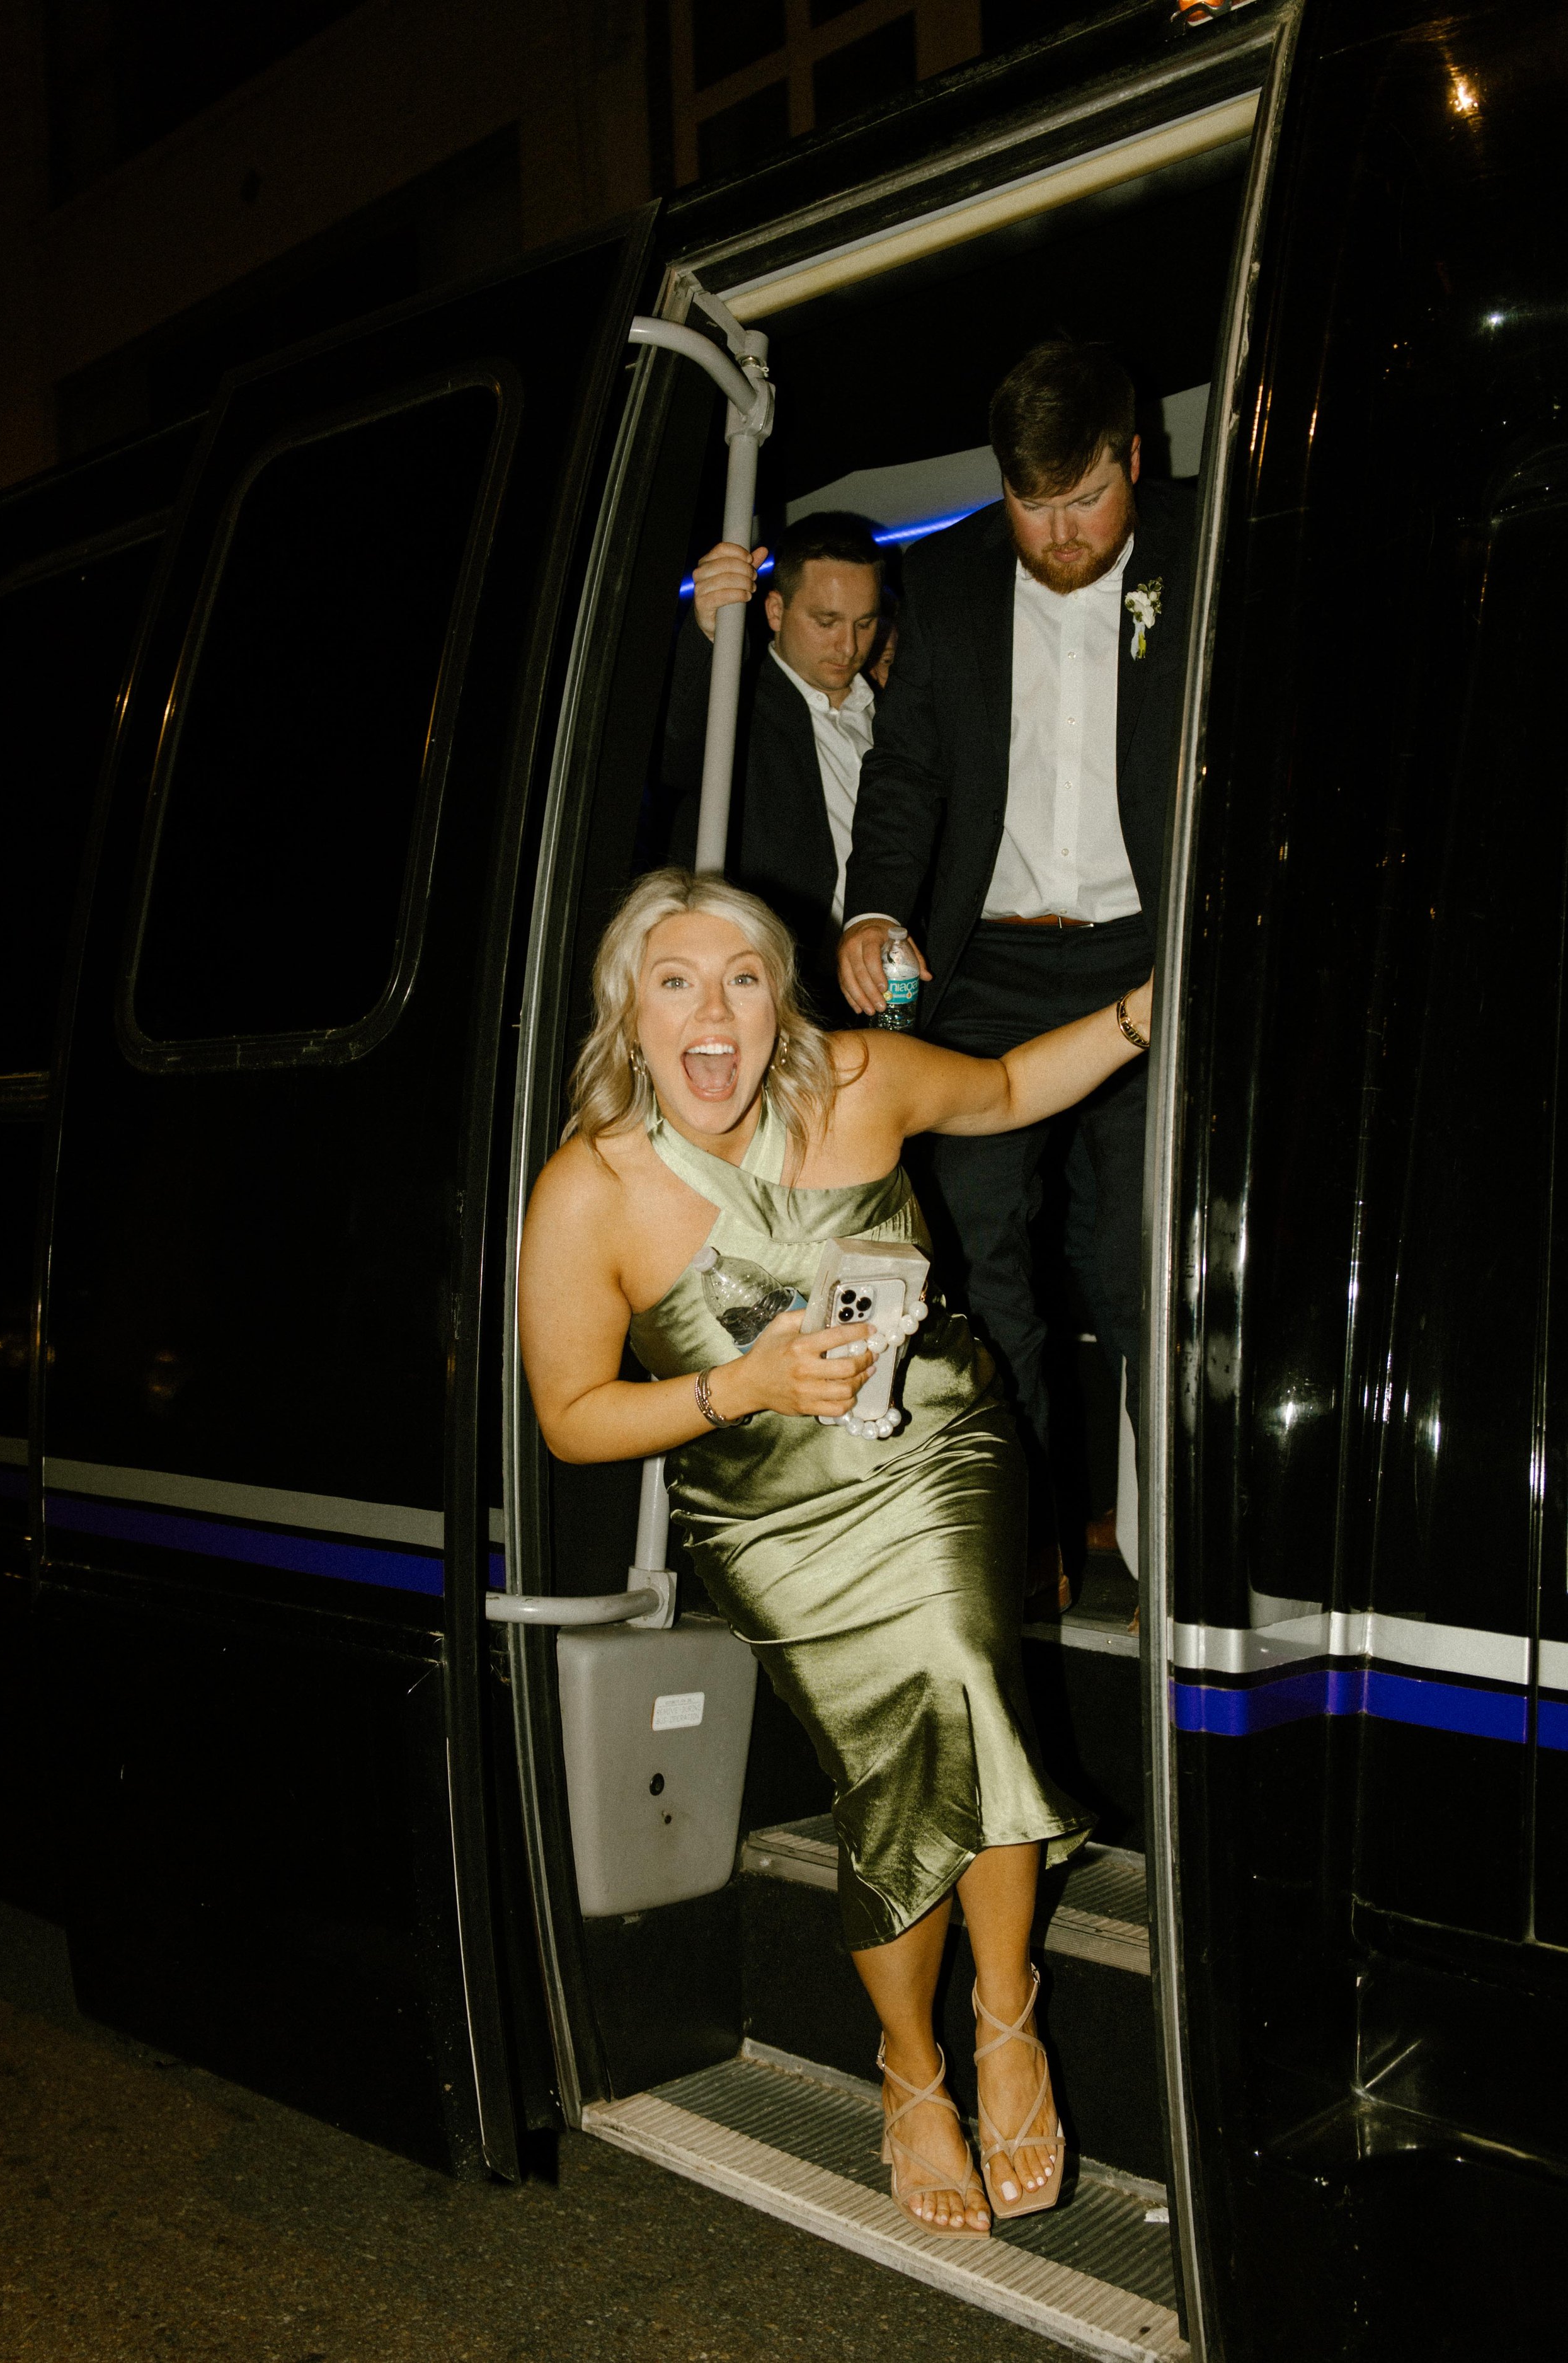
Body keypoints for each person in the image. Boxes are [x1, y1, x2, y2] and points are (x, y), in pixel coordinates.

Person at [519, 866, 1153, 2238]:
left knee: (962, 1675)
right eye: (674, 980)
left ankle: (998, 2025)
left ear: (780, 1003)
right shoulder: (589, 1189)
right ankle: (907, 2067)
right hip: (767, 1518)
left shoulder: (855, 1081)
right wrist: (736, 1391)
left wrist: (1137, 1017)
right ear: (629, 1014)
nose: (713, 1010)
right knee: (893, 1769)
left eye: (742, 979)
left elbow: (998, 1093)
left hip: (938, 1451)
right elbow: (570, 1419)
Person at [838, 340, 1193, 1570]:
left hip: (1151, 959)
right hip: (983, 974)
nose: (1057, 536)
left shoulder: (1207, 553)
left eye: (1084, 499)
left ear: (1130, 459)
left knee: (1143, 1264)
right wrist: (872, 912)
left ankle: (1168, 1564)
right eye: (1030, 507)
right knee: (980, 1270)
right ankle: (1027, 1553)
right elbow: (907, 776)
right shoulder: (943, 585)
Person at [664, 513, 884, 1009]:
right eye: (826, 621)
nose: (848, 646)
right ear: (776, 611)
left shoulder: (896, 717)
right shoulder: (738, 701)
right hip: (779, 996)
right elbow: (676, 757)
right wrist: (708, 631)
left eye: (865, 623)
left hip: (889, 993)